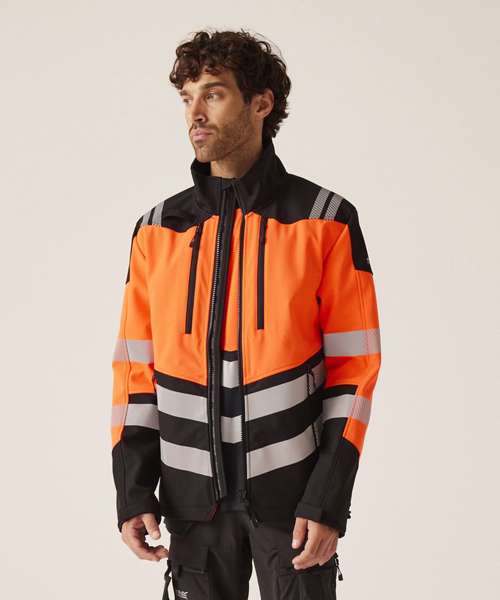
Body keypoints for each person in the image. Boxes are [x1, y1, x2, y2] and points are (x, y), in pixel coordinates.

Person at [110, 28, 382, 600]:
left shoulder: (324, 220)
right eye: (187, 98)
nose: (195, 113)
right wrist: (133, 490)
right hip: (191, 506)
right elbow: (136, 371)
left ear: (261, 103)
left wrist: (328, 499)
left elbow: (354, 373)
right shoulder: (156, 231)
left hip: (294, 505)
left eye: (213, 94)